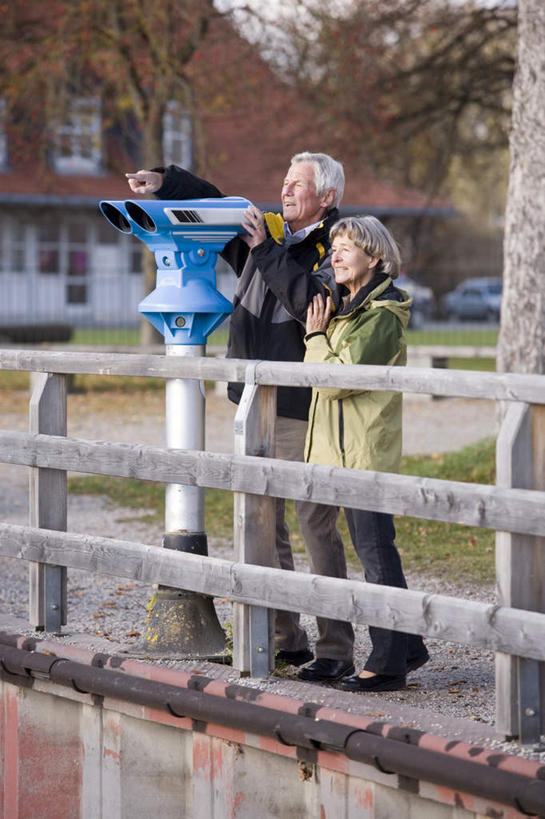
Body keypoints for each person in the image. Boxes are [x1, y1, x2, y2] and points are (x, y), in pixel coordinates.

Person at [126, 153, 355, 680]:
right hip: (251, 398)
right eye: (284, 179)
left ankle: (336, 648)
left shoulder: (337, 245)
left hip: (300, 402)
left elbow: (310, 302)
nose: (286, 190)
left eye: (299, 184)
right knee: (261, 524)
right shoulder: (263, 235)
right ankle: (281, 638)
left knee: (315, 522)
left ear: (327, 198)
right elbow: (214, 202)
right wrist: (165, 182)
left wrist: (267, 251)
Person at [302, 215, 429, 691]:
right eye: (334, 247)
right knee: (373, 552)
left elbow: (336, 382)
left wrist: (316, 338)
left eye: (346, 247)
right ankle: (408, 645)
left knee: (377, 557)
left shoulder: (381, 314)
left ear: (374, 258)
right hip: (339, 453)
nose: (335, 255)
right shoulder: (351, 306)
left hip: (364, 456)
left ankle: (389, 664)